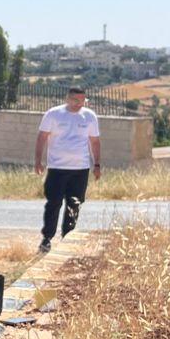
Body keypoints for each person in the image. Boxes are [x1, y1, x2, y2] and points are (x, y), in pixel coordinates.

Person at [34, 86, 101, 253]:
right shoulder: (53, 114)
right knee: (54, 203)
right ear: (67, 99)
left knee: (74, 204)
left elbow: (94, 141)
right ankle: (47, 238)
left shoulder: (89, 116)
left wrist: (97, 165)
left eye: (82, 100)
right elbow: (42, 137)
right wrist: (38, 160)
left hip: (80, 169)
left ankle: (67, 237)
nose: (79, 103)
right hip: (57, 168)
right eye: (75, 100)